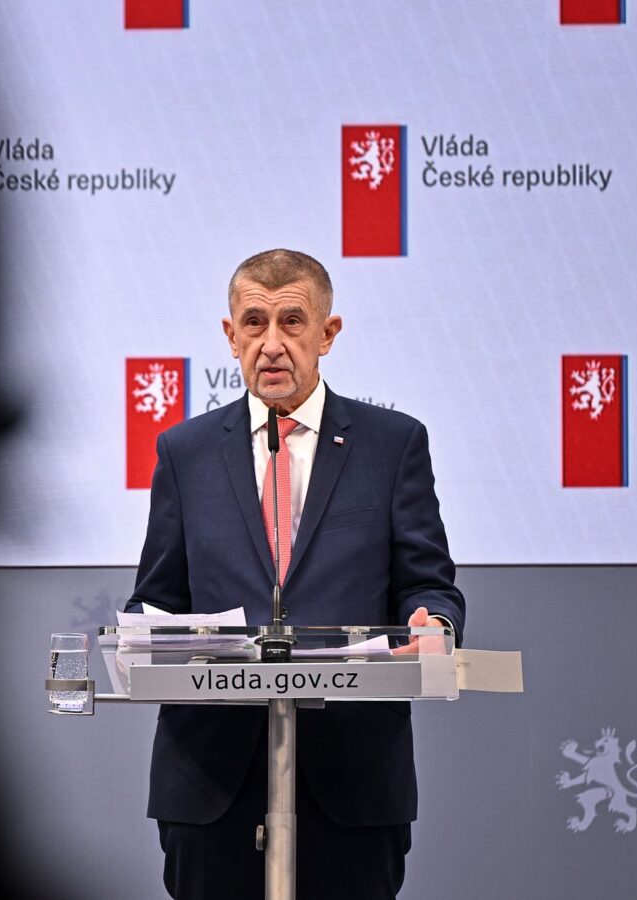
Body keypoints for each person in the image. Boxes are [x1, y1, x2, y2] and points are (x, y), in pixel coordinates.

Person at [126, 249, 465, 899]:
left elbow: (429, 583)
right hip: (213, 778)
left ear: (328, 334)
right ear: (230, 334)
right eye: (254, 323)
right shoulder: (184, 452)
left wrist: (434, 621)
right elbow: (157, 597)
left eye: (292, 322)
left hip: (351, 775)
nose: (272, 344)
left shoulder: (393, 445)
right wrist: (143, 630)